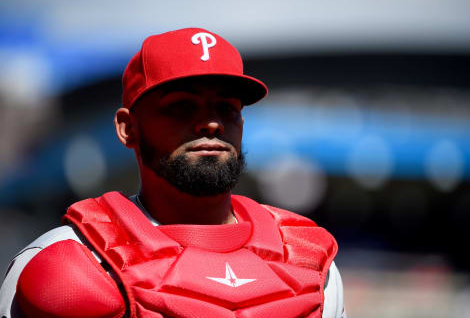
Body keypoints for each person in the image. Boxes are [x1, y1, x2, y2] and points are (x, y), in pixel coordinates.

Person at [0, 28, 346, 318]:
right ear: (127, 128)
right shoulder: (75, 261)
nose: (211, 122)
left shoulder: (312, 265)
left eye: (226, 107)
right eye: (181, 106)